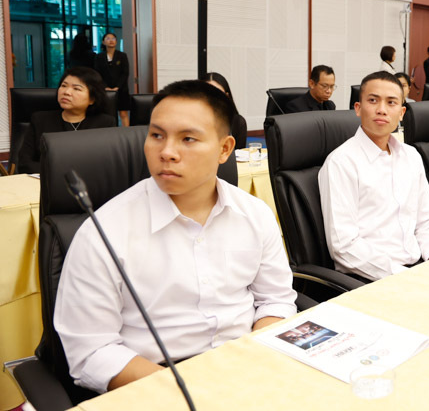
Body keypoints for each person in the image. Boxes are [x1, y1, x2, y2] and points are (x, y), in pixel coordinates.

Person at [54, 80, 297, 393]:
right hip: (156, 382)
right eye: (157, 135)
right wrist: (189, 390)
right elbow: (91, 352)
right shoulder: (103, 232)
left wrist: (255, 360)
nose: (166, 152)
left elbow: (275, 300)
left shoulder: (254, 214)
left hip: (246, 365)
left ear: (225, 149)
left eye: (188, 139)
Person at [319, 71, 429, 281]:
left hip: (418, 268)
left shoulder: (411, 156)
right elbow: (344, 246)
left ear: (402, 113)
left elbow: (425, 222)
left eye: (391, 102)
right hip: (369, 277)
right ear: (358, 108)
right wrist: (404, 276)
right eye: (373, 100)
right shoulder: (341, 163)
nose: (382, 110)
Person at [18, 67, 117, 174]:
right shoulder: (40, 120)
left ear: (92, 99)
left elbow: (108, 164)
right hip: (44, 181)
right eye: (64, 86)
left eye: (76, 89)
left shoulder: (105, 124)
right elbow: (24, 163)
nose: (66, 92)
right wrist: (60, 174)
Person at [202, 72, 248, 149]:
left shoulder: (237, 122)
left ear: (226, 96)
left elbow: (240, 154)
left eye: (218, 93)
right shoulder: (189, 121)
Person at [94, 31, 130, 126]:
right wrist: (105, 87)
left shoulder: (122, 56)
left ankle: (127, 133)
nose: (111, 40)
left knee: (123, 113)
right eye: (108, 38)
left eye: (113, 38)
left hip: (121, 89)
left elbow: (125, 73)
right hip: (105, 90)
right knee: (109, 114)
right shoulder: (99, 57)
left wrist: (117, 87)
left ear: (116, 42)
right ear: (103, 42)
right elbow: (97, 73)